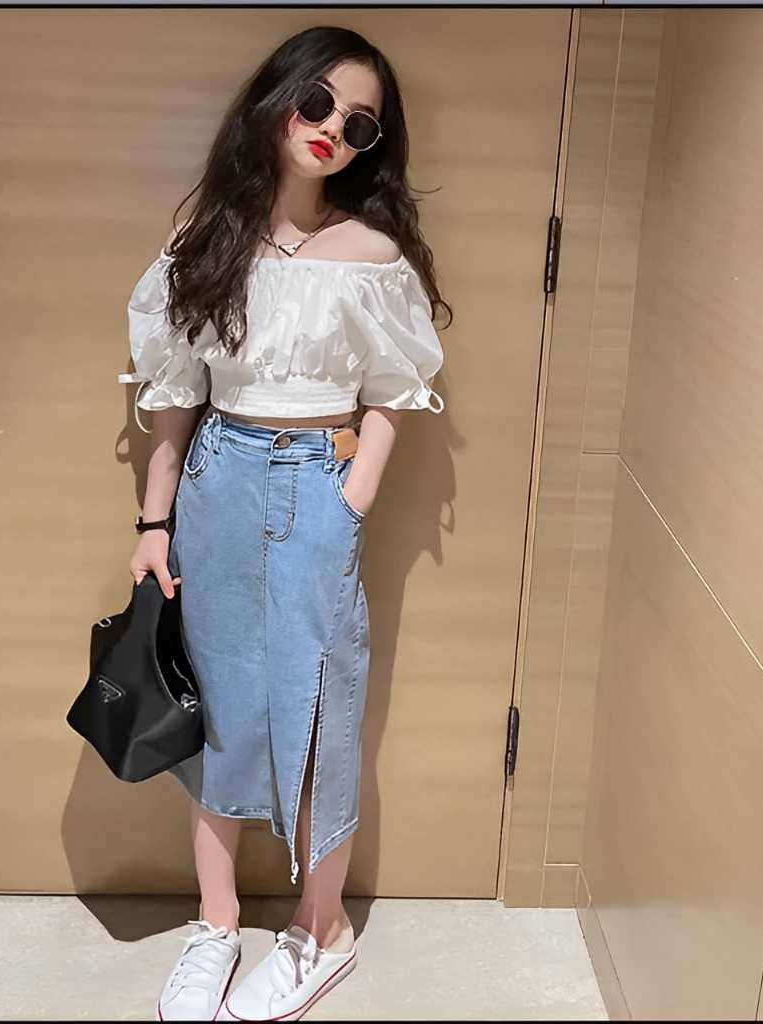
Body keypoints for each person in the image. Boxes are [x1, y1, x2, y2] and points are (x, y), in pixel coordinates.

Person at [121, 25, 452, 1022]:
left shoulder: (372, 255)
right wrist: (153, 520)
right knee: (215, 703)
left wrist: (352, 499)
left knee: (320, 708)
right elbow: (174, 394)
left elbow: (392, 391)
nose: (331, 130)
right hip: (216, 479)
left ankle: (322, 929)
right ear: (276, 99)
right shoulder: (206, 243)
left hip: (317, 480)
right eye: (316, 102)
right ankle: (216, 923)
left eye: (359, 124)